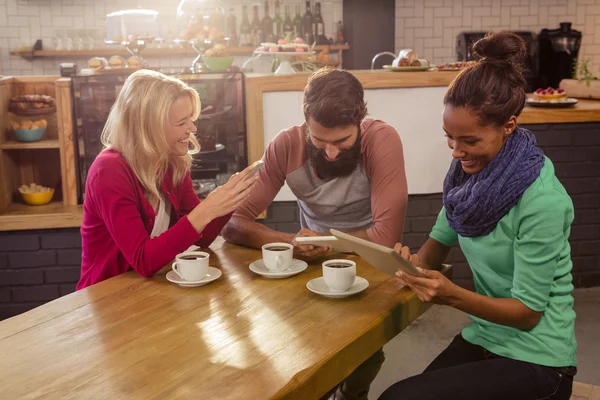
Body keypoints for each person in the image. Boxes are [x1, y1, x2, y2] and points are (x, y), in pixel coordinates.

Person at [379, 32, 577, 400]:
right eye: (449, 138)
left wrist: (451, 295)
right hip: (486, 338)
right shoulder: (464, 185)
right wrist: (410, 266)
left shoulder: (543, 200)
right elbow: (431, 254)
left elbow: (528, 313)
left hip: (540, 360)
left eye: (469, 141)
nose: (456, 153)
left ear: (509, 126)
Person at [223, 67, 409, 400]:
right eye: (318, 140)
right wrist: (291, 243)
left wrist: (318, 242)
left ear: (360, 121)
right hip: (310, 257)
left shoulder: (382, 139)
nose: (331, 152)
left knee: (363, 353)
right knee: (307, 351)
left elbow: (384, 237)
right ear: (306, 122)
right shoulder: (286, 145)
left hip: (366, 260)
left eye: (342, 141)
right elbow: (233, 222)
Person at [77, 70, 257, 289]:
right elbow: (144, 260)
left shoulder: (171, 163)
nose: (192, 129)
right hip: (106, 296)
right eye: (181, 123)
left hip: (149, 290)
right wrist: (208, 209)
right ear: (148, 128)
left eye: (191, 120)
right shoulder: (108, 171)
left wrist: (229, 200)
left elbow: (199, 240)